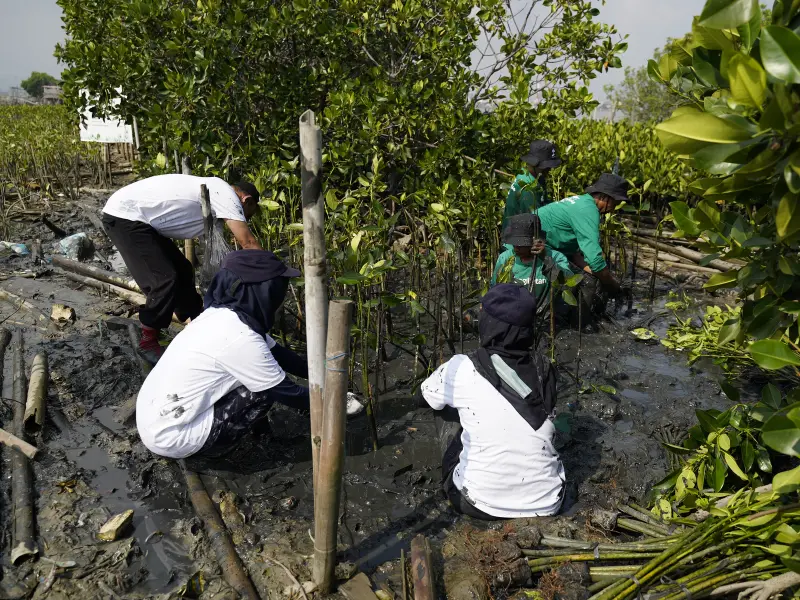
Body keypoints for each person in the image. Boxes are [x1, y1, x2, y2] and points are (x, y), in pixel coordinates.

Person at [135, 249, 308, 464]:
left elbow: (280, 354)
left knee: (260, 376)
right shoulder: (240, 337)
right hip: (173, 437)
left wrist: (320, 371)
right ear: (259, 290)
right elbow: (286, 392)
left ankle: (256, 434)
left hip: (155, 420)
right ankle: (208, 453)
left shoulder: (221, 316)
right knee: (263, 390)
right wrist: (334, 402)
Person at [421, 284, 564, 519]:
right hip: (548, 502)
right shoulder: (545, 368)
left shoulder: (463, 367)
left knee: (443, 405)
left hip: (476, 502)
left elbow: (424, 397)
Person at [102, 174, 263, 363]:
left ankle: (197, 321)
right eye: (248, 213)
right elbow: (249, 243)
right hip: (125, 216)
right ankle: (148, 340)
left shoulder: (216, 194)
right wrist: (271, 273)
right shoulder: (226, 195)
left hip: (141, 219)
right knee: (164, 279)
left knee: (184, 270)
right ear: (246, 200)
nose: (246, 218)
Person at [534, 173, 629, 299]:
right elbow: (595, 260)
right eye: (615, 203)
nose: (614, 209)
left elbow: (575, 255)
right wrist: (612, 285)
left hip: (543, 247)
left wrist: (601, 274)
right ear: (605, 197)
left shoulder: (582, 201)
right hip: (536, 250)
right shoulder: (588, 210)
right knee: (588, 284)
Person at [492, 214, 573, 309]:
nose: (516, 247)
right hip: (514, 312)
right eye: (514, 243)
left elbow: (567, 285)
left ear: (536, 242)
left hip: (547, 313)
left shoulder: (555, 256)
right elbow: (494, 287)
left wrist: (545, 259)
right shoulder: (505, 258)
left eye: (521, 244)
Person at [502, 140, 562, 230]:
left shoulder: (538, 177)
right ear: (535, 164)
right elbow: (536, 219)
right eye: (546, 166)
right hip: (517, 239)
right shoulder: (527, 187)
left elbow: (545, 204)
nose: (549, 169)